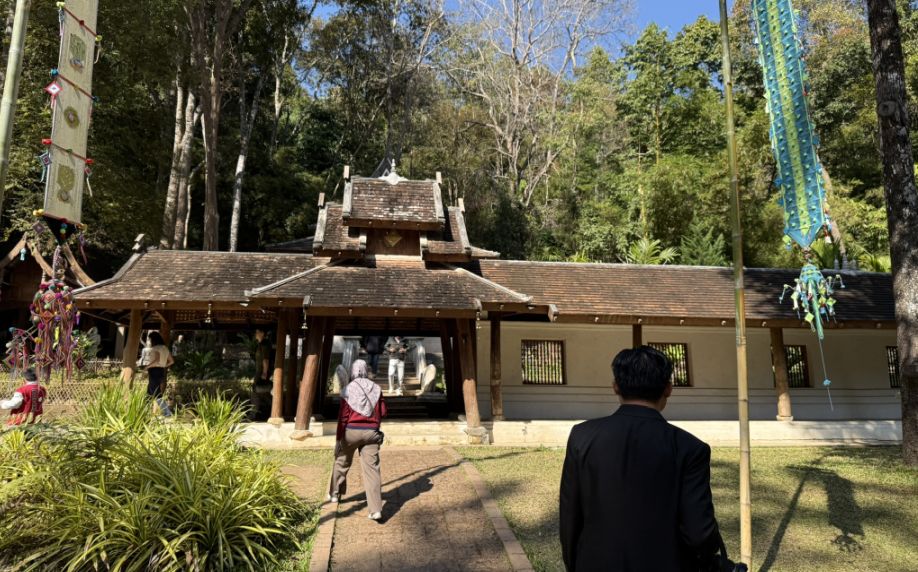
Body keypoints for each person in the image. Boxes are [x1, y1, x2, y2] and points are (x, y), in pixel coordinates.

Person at [559, 346, 728, 572]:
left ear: (616, 386)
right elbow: (699, 533)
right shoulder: (689, 448)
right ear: (668, 388)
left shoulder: (582, 436)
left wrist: (574, 564)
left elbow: (570, 517)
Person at [328, 359, 387, 521]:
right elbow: (382, 411)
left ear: (353, 371)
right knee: (372, 470)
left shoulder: (348, 389)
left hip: (351, 433)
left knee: (342, 462)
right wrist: (374, 424)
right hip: (371, 434)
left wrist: (339, 439)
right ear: (366, 370)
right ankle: (376, 510)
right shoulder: (376, 389)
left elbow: (343, 417)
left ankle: (334, 494)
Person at [144, 332, 175, 417]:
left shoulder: (155, 348)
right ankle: (143, 411)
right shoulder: (165, 348)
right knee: (150, 392)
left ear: (153, 339)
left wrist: (147, 367)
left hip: (154, 371)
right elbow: (172, 361)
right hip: (161, 370)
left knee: (156, 393)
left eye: (150, 339)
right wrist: (163, 365)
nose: (150, 341)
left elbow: (156, 360)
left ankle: (167, 413)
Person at [251, 328, 273, 420]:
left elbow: (266, 359)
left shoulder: (265, 344)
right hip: (259, 371)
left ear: (262, 333)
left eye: (257, 332)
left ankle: (253, 414)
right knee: (262, 392)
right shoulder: (260, 344)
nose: (256, 334)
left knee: (255, 390)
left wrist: (264, 372)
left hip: (262, 372)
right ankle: (256, 413)